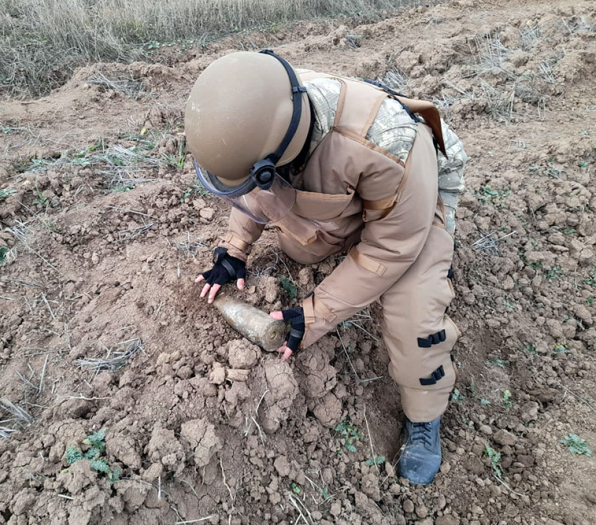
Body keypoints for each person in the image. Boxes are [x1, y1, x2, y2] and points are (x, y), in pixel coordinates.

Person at [184, 50, 467, 485]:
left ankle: (424, 417)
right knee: (303, 251)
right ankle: (351, 224)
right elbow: (256, 190)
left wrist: (313, 316)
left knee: (412, 308)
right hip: (349, 185)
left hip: (415, 195)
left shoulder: (386, 142)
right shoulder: (259, 113)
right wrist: (235, 249)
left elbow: (390, 250)